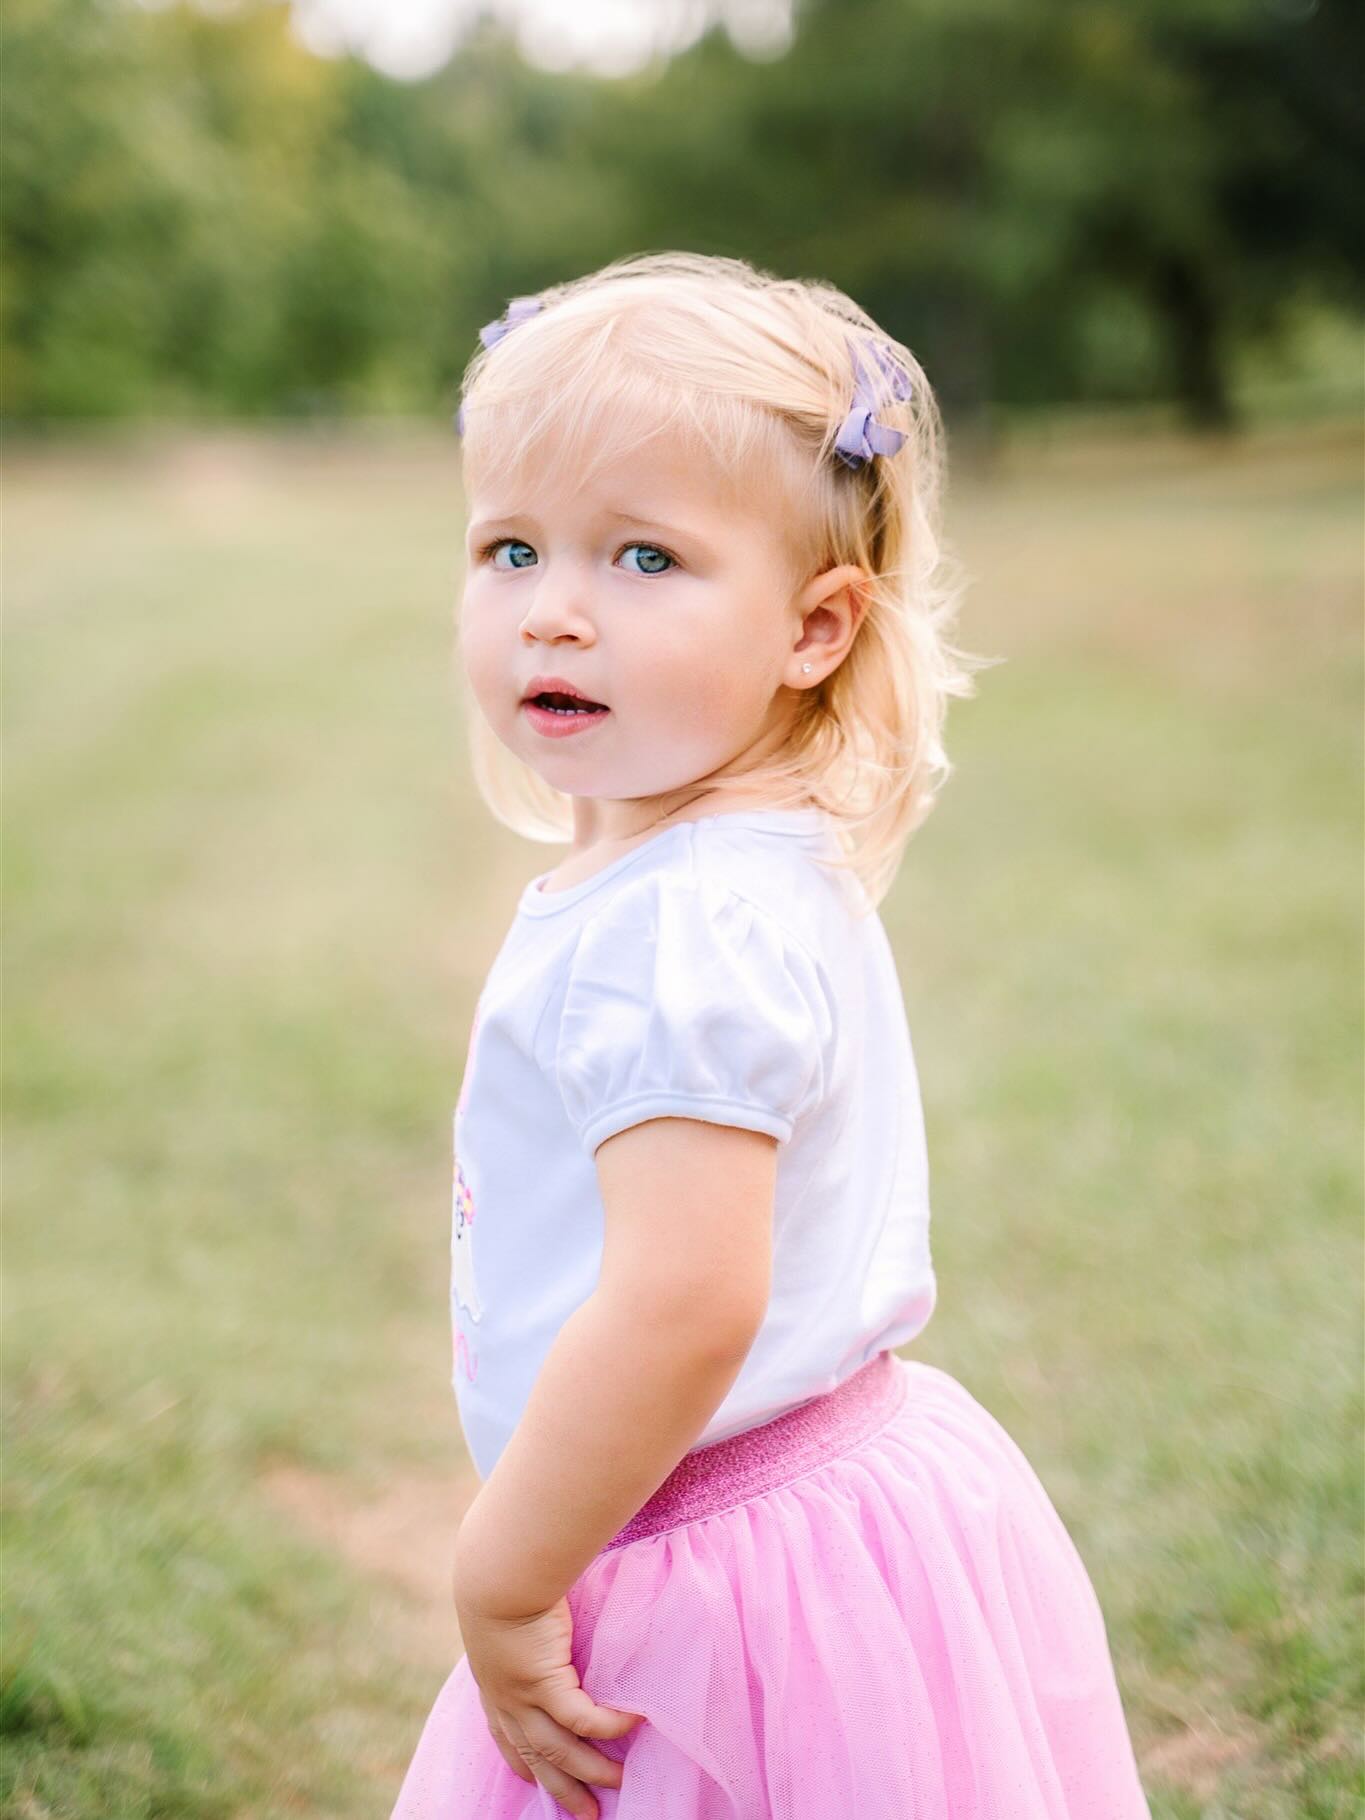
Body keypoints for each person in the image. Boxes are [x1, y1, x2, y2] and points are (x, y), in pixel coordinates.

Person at [389, 251, 1152, 1819]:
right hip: (827, 1499)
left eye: (644, 557)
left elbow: (683, 1299)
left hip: (717, 1563)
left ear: (812, 628)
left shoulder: (679, 926)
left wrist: (507, 1573)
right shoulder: (729, 867)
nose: (553, 612)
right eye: (511, 547)